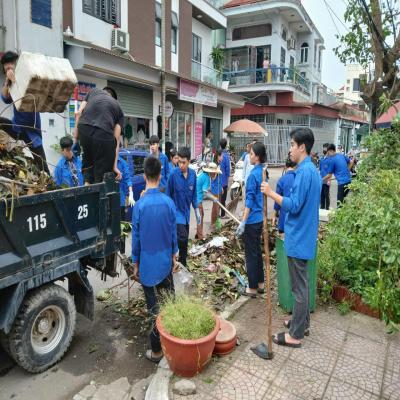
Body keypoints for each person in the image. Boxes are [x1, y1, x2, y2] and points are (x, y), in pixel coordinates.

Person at [261, 128, 321, 348]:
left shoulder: (304, 172)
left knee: (299, 288)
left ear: (302, 147)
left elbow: (293, 205)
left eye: (292, 145)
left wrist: (270, 193)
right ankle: (301, 323)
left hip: (299, 237)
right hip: (304, 235)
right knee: (301, 285)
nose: (290, 149)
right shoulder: (311, 170)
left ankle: (295, 335)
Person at [132, 157, 178, 363]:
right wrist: (174, 255)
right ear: (160, 176)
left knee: (153, 308)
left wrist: (136, 263)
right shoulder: (168, 203)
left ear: (144, 177)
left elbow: (136, 239)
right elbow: (173, 233)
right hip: (165, 262)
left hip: (148, 265)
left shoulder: (139, 206)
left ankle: (157, 350)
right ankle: (174, 342)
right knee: (169, 303)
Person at [0, 51, 50, 174]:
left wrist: (16, 80)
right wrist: (8, 81)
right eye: (6, 64)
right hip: (17, 127)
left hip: (32, 130)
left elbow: (26, 95)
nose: (8, 66)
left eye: (11, 63)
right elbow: (5, 98)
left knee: (42, 166)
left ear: (17, 64)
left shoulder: (27, 78)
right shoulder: (8, 83)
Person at [74, 86, 124, 184]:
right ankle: (100, 186)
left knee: (88, 160)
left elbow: (79, 113)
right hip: (104, 133)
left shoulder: (93, 92)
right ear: (113, 98)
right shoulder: (118, 107)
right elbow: (116, 140)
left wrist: (75, 138)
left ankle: (87, 184)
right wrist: (114, 167)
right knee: (103, 171)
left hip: (84, 128)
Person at [235, 142, 267, 297]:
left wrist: (243, 220)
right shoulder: (262, 172)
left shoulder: (254, 175)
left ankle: (252, 288)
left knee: (250, 255)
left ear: (258, 157)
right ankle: (260, 283)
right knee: (257, 252)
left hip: (253, 219)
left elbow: (249, 200)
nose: (249, 156)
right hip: (260, 218)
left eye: (252, 154)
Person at [167, 147, 200, 266]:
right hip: (175, 212)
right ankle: (177, 261)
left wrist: (196, 209)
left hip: (186, 213)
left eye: (183, 162)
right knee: (183, 236)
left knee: (184, 241)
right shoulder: (173, 174)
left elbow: (194, 193)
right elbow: (168, 194)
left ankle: (182, 263)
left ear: (189, 161)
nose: (180, 165)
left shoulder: (193, 175)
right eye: (179, 162)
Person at [196, 162, 221, 240]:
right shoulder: (206, 178)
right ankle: (200, 237)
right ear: (210, 172)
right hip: (197, 198)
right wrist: (213, 198)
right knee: (200, 216)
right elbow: (205, 192)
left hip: (197, 197)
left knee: (201, 215)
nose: (214, 175)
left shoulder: (204, 175)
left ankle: (198, 234)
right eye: (213, 173)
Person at [273, 158, 296, 234]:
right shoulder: (298, 178)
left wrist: (274, 215)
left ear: (285, 167)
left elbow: (277, 200)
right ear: (295, 167)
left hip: (284, 217)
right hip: (296, 218)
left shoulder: (282, 179)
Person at [219, 138, 231, 218]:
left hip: (217, 180)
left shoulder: (218, 154)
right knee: (223, 199)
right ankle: (223, 214)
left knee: (218, 198)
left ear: (220, 145)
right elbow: (228, 169)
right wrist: (228, 179)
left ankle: (217, 214)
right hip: (224, 181)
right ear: (226, 145)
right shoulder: (226, 156)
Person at [319, 143, 331, 210]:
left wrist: (329, 180)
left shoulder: (330, 160)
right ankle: (322, 207)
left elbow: (330, 171)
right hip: (321, 180)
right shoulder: (321, 159)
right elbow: (320, 170)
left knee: (326, 195)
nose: (323, 149)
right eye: (323, 148)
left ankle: (327, 208)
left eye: (325, 148)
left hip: (327, 181)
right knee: (322, 195)